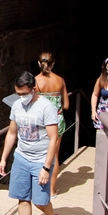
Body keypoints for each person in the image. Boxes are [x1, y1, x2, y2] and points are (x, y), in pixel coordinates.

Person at [0, 72, 62, 215]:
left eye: (24, 94)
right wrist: (4, 157)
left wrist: (46, 167)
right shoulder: (17, 106)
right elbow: (12, 133)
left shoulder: (46, 107)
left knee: (40, 201)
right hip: (22, 158)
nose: (21, 98)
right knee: (23, 199)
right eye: (18, 94)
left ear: (33, 89)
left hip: (41, 160)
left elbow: (53, 138)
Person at [34, 51, 69, 195]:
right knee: (53, 155)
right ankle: (52, 190)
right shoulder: (60, 80)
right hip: (57, 121)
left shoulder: (34, 81)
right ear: (53, 64)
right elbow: (66, 105)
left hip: (40, 122)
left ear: (38, 63)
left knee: (37, 153)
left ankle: (37, 187)